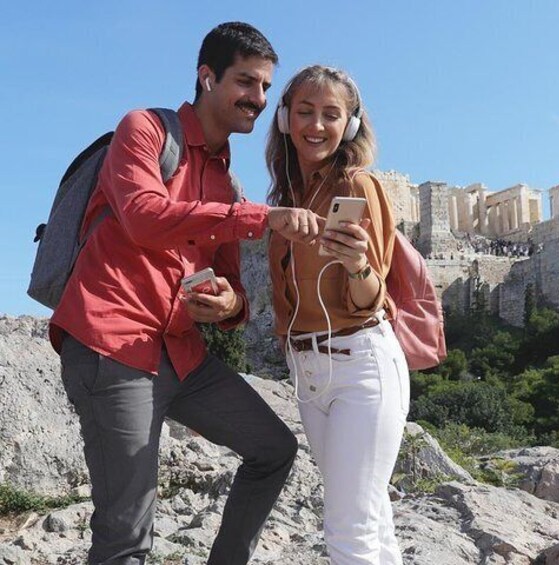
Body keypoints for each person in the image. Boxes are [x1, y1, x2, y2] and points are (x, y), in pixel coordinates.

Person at [51, 22, 323, 564]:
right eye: (247, 82)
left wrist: (229, 306)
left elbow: (236, 294)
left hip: (182, 355)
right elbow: (144, 218)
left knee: (273, 450)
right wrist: (262, 217)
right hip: (113, 347)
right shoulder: (145, 130)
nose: (259, 99)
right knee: (127, 538)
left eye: (266, 87)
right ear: (207, 77)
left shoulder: (227, 182)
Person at [266, 65, 410, 564]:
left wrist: (357, 265)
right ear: (284, 118)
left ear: (350, 124)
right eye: (305, 111)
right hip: (308, 373)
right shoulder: (285, 196)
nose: (317, 125)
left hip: (361, 365)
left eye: (332, 114)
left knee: (346, 532)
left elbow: (372, 298)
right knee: (369, 523)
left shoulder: (358, 185)